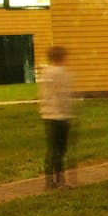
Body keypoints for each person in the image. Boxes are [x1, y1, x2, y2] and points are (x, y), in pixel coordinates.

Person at [39, 46, 75, 190]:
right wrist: (69, 114)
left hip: (47, 115)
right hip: (60, 116)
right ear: (61, 57)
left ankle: (49, 182)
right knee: (60, 150)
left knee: (51, 150)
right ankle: (61, 181)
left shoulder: (45, 73)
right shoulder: (62, 73)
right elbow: (64, 96)